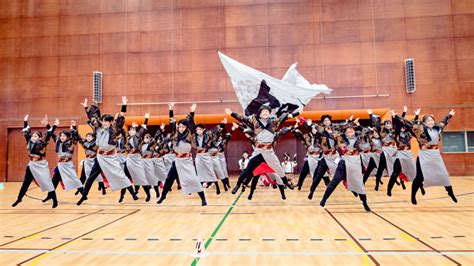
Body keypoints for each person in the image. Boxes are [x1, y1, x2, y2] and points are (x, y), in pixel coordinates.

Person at [77, 97, 138, 205]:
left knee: (120, 174)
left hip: (110, 157)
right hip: (100, 157)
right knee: (90, 177)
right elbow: (92, 117)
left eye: (106, 121)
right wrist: (86, 107)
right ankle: (84, 196)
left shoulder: (114, 129)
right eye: (103, 121)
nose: (104, 123)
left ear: (110, 122)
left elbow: (120, 119)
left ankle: (133, 194)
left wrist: (124, 105)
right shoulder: (98, 128)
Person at [157, 103, 207, 206]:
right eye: (179, 127)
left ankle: (203, 198)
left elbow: (192, 125)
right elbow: (171, 122)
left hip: (187, 161)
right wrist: (171, 110)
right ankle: (163, 196)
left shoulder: (190, 135)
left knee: (193, 179)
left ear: (186, 128)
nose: (180, 128)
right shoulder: (175, 134)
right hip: (177, 161)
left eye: (183, 127)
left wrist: (192, 112)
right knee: (169, 178)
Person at [411, 109, 457, 205]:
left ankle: (450, 193)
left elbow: (444, 122)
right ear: (424, 123)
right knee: (419, 177)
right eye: (428, 121)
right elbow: (413, 126)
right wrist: (416, 116)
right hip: (423, 156)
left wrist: (449, 115)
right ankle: (413, 196)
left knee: (443, 175)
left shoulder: (438, 128)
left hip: (435, 155)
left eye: (431, 120)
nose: (430, 122)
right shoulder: (420, 130)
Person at [12, 115, 59, 208]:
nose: (33, 137)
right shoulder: (29, 141)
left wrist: (54, 125)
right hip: (32, 165)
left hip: (41, 164)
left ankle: (55, 200)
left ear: (40, 137)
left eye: (36, 135)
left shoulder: (43, 142)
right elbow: (26, 131)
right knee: (26, 182)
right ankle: (19, 198)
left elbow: (49, 133)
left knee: (48, 182)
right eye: (33, 135)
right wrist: (25, 121)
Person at [42, 120, 84, 202]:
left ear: (68, 137)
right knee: (54, 180)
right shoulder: (58, 142)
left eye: (64, 136)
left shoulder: (72, 142)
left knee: (74, 179)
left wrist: (74, 127)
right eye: (61, 136)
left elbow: (76, 136)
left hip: (68, 164)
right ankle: (49, 195)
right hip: (60, 164)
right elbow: (51, 134)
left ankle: (84, 194)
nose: (62, 137)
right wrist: (47, 124)